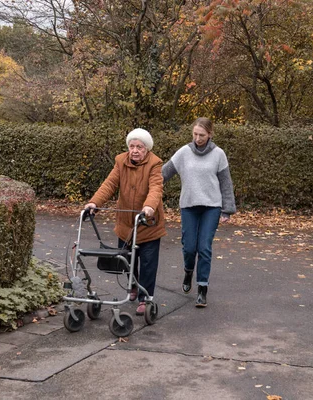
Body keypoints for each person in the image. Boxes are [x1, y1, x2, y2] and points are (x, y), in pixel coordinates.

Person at [85, 128, 166, 315]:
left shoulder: (155, 164)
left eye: (139, 147)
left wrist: (149, 207)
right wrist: (94, 202)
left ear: (147, 149)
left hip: (148, 223)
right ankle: (134, 287)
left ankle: (145, 298)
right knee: (127, 260)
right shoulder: (120, 161)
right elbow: (109, 184)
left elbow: (156, 188)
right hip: (126, 224)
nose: (135, 150)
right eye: (132, 146)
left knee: (147, 262)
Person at [162, 117, 236, 307]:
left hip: (211, 206)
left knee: (204, 247)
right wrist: (147, 186)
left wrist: (227, 209)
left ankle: (202, 288)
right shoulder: (184, 152)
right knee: (189, 247)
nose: (198, 138)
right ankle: (188, 271)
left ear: (210, 134)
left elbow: (226, 183)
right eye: (195, 134)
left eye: (202, 135)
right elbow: (164, 173)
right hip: (189, 205)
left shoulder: (219, 154)